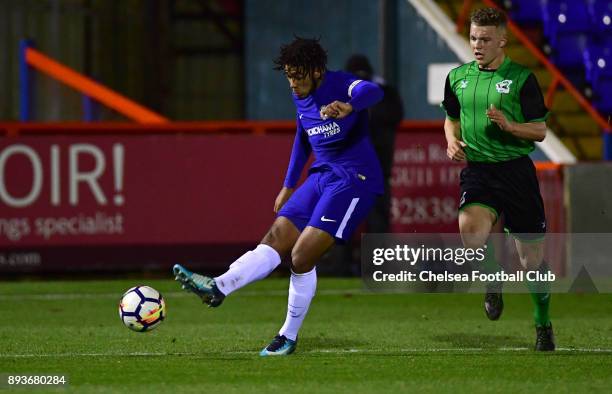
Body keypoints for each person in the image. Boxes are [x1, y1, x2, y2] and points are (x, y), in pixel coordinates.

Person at [173, 36, 384, 356]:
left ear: (316, 71)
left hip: (355, 178)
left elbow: (374, 91)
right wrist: (288, 185)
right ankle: (218, 286)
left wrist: (350, 106)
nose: (293, 83)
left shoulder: (341, 84)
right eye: (288, 75)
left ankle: (287, 336)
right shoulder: (301, 97)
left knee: (301, 256)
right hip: (321, 176)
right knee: (275, 236)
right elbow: (303, 138)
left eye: (298, 75)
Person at [442, 7, 554, 351]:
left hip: (516, 172)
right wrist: (451, 141)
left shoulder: (521, 78)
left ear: (502, 40)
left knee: (531, 262)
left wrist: (510, 125)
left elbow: (540, 130)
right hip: (479, 172)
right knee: (471, 234)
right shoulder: (458, 77)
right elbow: (451, 118)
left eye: (485, 39)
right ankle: (493, 281)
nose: (477, 44)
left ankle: (542, 324)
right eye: (474, 38)